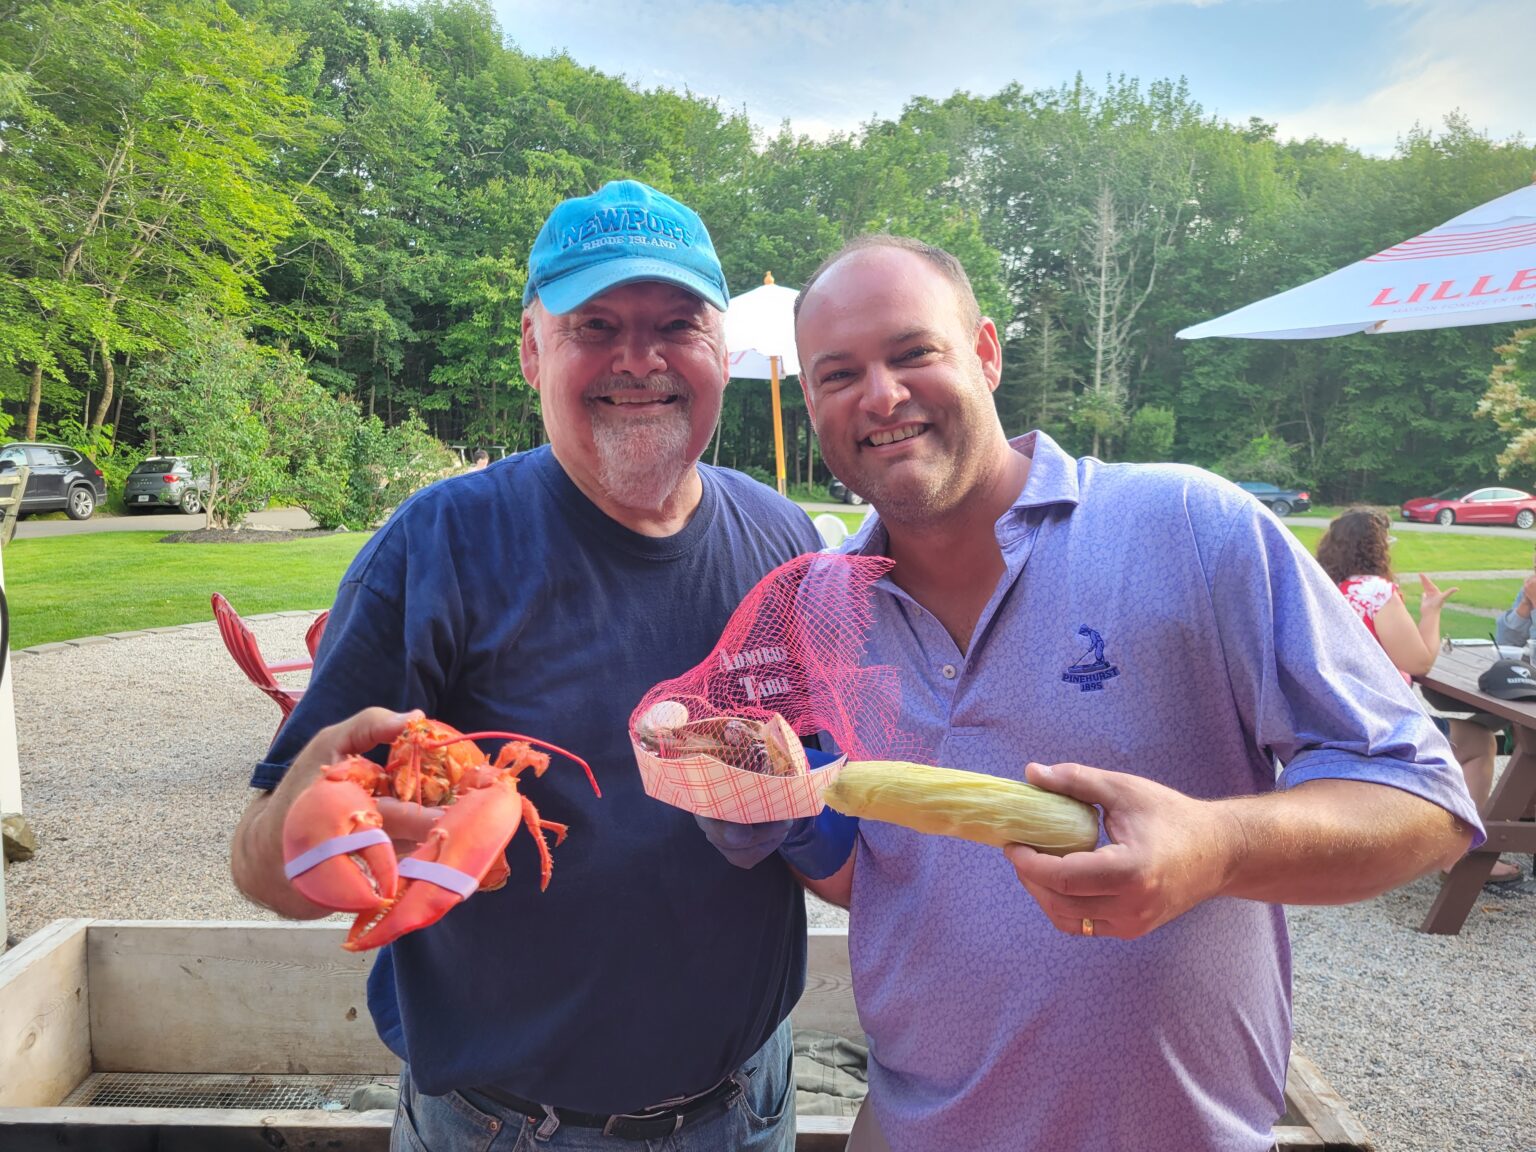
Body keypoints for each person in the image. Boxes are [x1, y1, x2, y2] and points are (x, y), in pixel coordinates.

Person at [703, 235, 1482, 1152]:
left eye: (915, 352)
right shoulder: (819, 611)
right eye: (840, 374)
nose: (881, 395)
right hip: (909, 1128)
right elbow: (896, 878)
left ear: (987, 352)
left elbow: (1427, 802)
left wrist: (1218, 848)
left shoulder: (1191, 526)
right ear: (813, 403)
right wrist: (785, 821)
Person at [230, 179, 823, 1150]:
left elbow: (825, 805)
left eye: (678, 323)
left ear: (722, 352)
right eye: (597, 322)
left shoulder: (784, 538)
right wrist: (325, 784)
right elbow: (264, 869)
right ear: (530, 348)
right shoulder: (437, 546)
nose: (641, 358)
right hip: (501, 1129)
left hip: (745, 1108)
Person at [1316, 507, 1523, 884]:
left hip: (1336, 723)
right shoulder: (1375, 592)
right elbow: (1419, 662)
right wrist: (1431, 612)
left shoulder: (1325, 590)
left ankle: (1430, 831)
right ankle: (1462, 857)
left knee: (1468, 732)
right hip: (1379, 729)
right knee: (1479, 741)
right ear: (1377, 548)